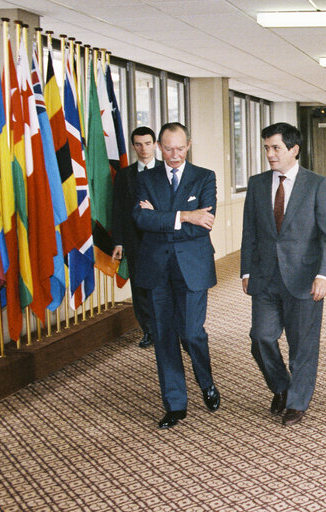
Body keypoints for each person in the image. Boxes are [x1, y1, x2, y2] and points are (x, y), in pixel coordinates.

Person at [240, 122, 326, 427]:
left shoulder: (317, 184)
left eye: (276, 148)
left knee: (302, 346)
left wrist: (324, 274)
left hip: (305, 277)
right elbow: (250, 232)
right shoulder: (256, 184)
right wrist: (245, 270)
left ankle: (297, 402)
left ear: (294, 149)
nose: (270, 154)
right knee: (261, 337)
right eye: (267, 147)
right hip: (265, 276)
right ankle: (281, 386)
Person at [133, 122, 220, 429]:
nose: (174, 155)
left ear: (189, 145)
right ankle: (175, 404)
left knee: (191, 331)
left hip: (193, 268)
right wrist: (184, 215)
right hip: (157, 267)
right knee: (164, 335)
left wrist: (163, 218)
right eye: (167, 148)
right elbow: (141, 218)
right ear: (158, 146)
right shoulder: (146, 179)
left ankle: (206, 380)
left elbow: (205, 222)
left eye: (180, 148)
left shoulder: (204, 177)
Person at [112, 126, 160, 349]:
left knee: (163, 286)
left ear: (155, 144)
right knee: (140, 289)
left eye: (148, 143)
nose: (143, 149)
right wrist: (119, 241)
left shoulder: (166, 170)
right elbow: (118, 210)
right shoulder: (124, 175)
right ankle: (148, 330)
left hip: (161, 241)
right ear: (133, 146)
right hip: (135, 242)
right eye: (139, 144)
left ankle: (166, 329)